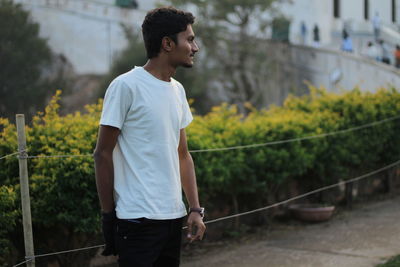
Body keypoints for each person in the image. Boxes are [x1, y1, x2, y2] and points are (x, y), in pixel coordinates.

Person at [94, 7, 206, 267]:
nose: (195, 47)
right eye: (189, 39)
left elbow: (182, 154)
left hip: (172, 217)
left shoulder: (177, 90)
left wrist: (194, 209)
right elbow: (102, 154)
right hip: (136, 221)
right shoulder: (126, 86)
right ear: (167, 44)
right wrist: (108, 217)